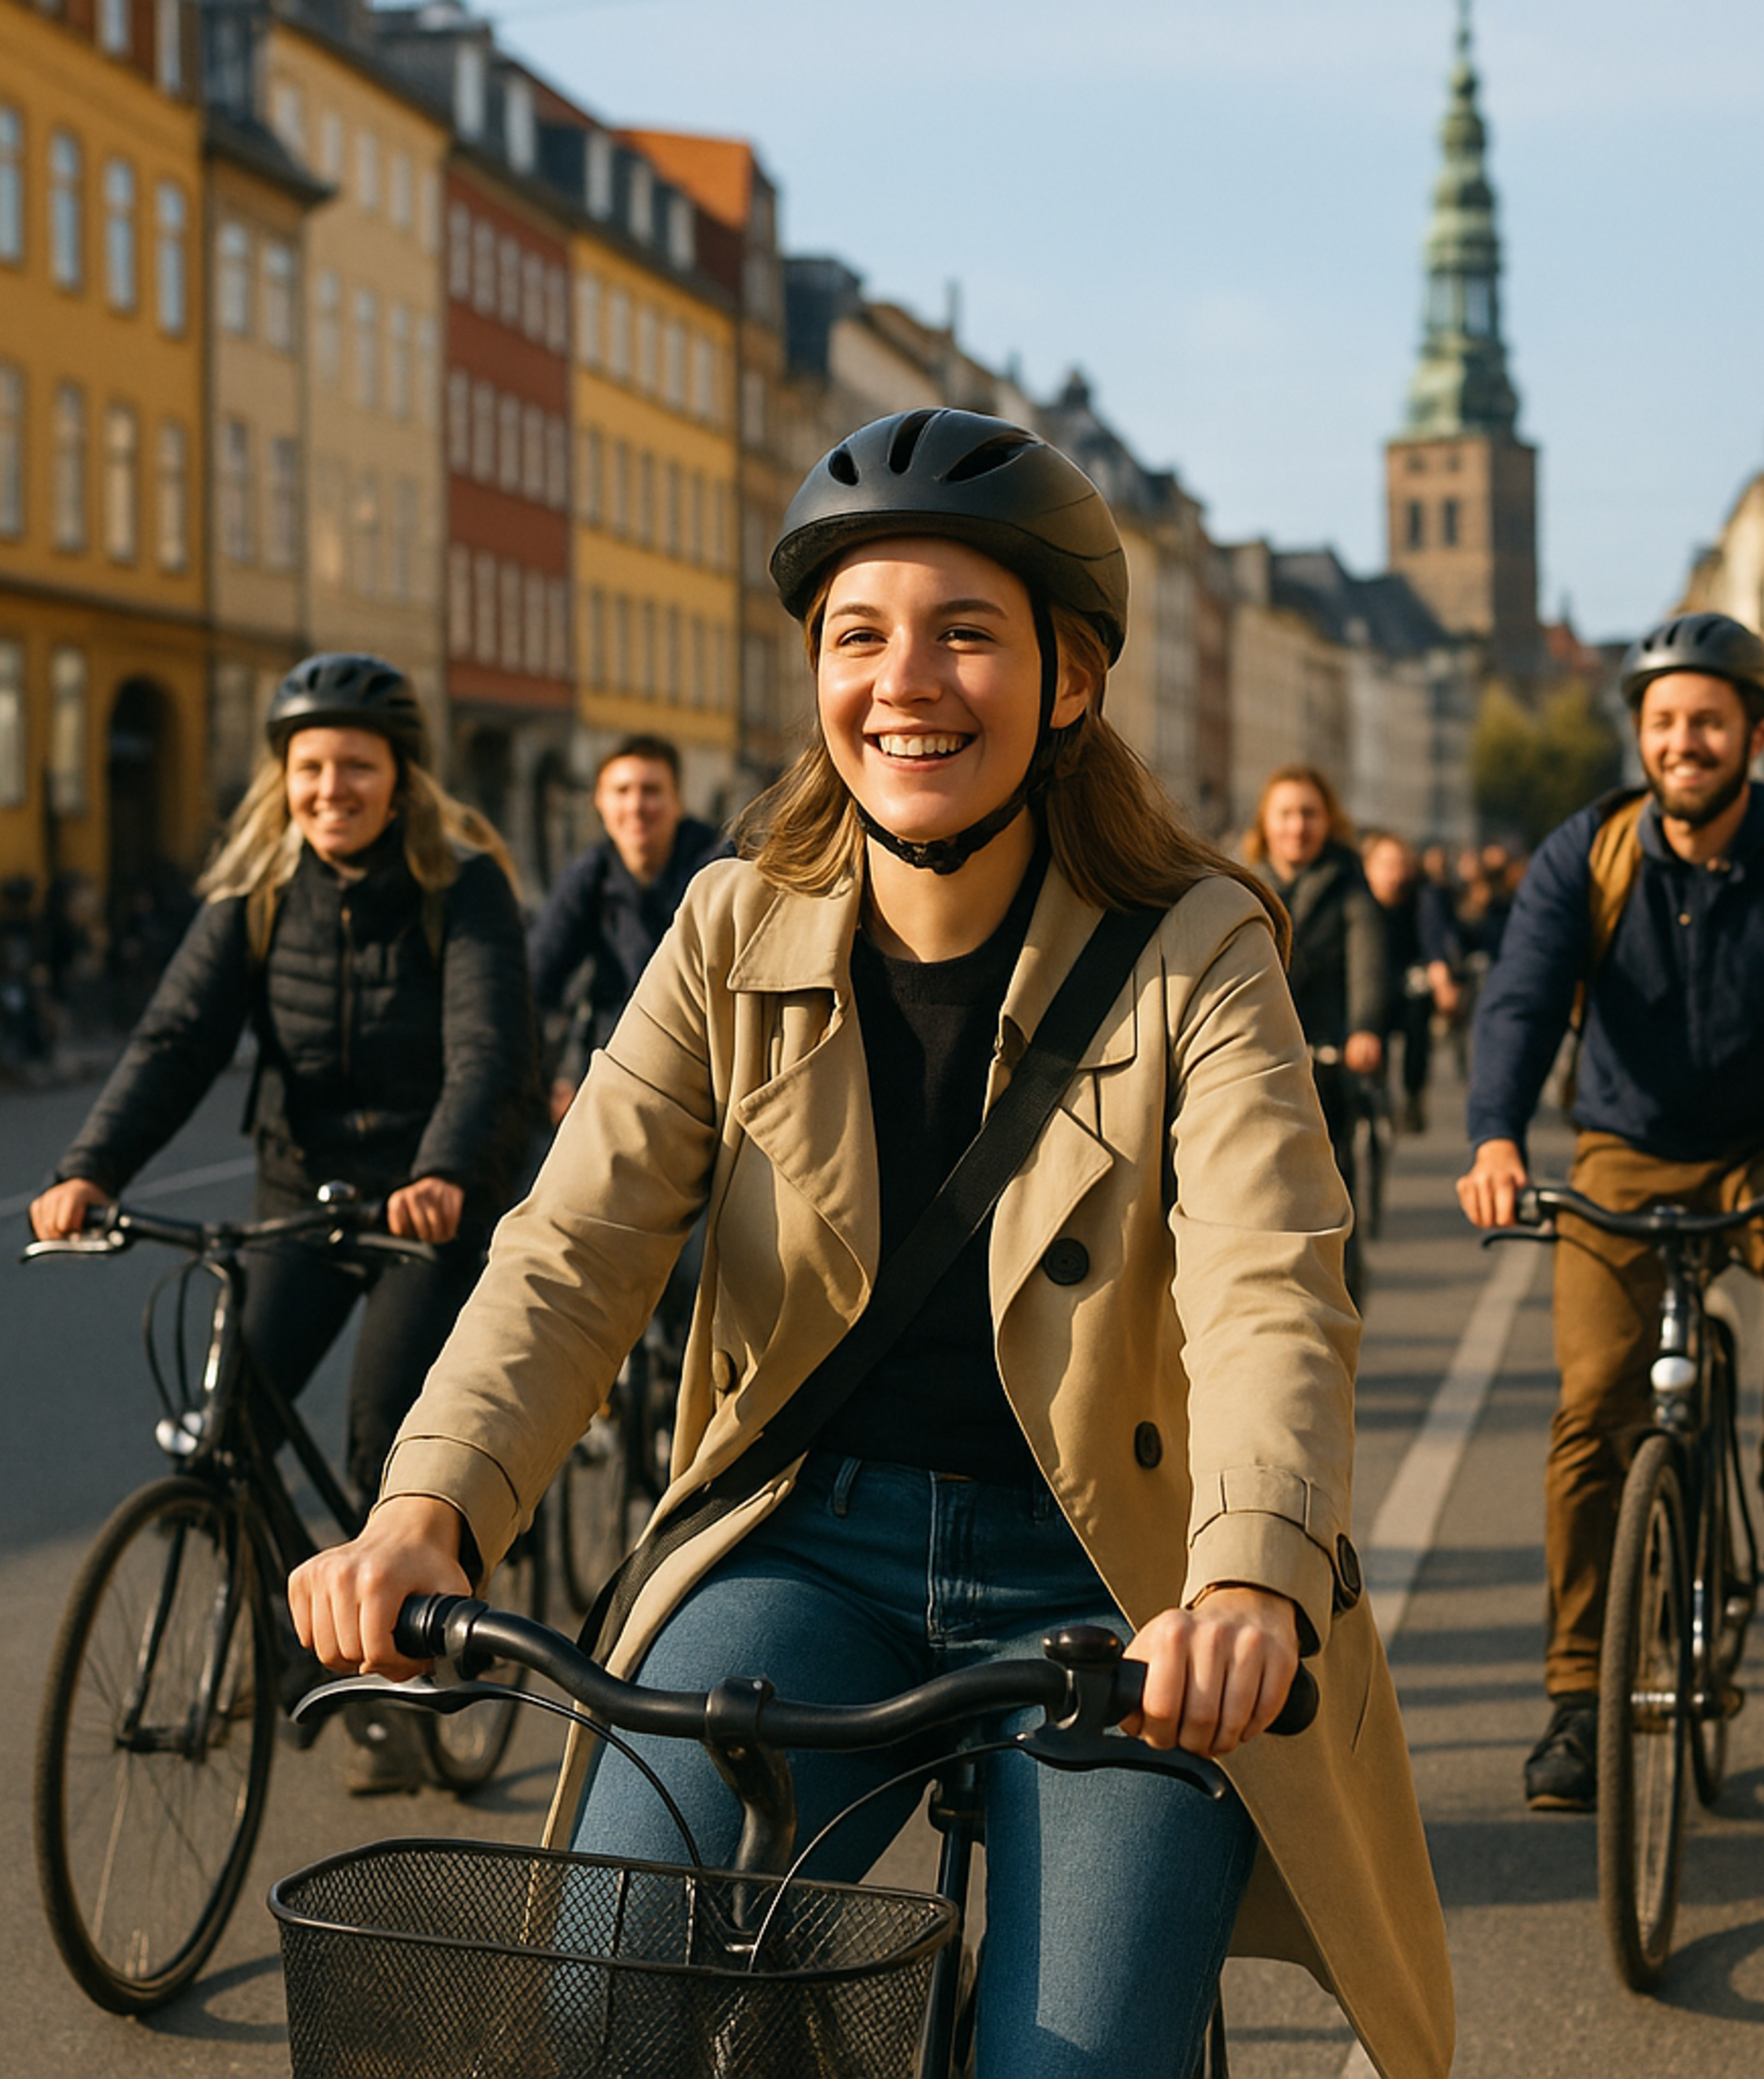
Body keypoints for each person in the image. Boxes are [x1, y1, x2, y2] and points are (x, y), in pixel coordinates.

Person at [288, 411, 1453, 2079]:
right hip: (801, 1540)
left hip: (1107, 1578)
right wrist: (426, 1510)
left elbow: (1269, 1281)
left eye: (963, 632)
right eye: (858, 635)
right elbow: (575, 1243)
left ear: (1067, 679)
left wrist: (1246, 1576)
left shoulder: (1197, 948)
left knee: (1074, 2063)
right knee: (602, 1989)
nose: (903, 680)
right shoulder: (730, 921)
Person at [30, 654, 536, 1792]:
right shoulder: (257, 893)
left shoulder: (463, 885)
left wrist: (448, 1170)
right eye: (309, 769)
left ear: (400, 779)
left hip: (425, 1201)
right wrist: (90, 1167)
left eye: (355, 767)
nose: (329, 789)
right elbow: (175, 1042)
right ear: (284, 779)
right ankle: (288, 1632)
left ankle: (411, 1671)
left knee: (383, 1442)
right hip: (302, 1190)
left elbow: (487, 1050)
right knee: (230, 1424)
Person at [1456, 611, 1764, 1813]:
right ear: (1643, 737)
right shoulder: (1589, 852)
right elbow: (1521, 995)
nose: (1685, 741)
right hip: (1630, 1143)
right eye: (1664, 722)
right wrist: (1497, 1136)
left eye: (1709, 720)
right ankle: (1576, 1698)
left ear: (1754, 733)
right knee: (1593, 1400)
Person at [1241, 766, 1388, 1297]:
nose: (1297, 827)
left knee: (1328, 1183)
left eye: (1309, 814)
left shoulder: (1349, 883)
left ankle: (1338, 1289)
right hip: (1255, 1059)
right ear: (1266, 822)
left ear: (1328, 822)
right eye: (1286, 814)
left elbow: (1368, 959)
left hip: (1327, 1055)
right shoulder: (1240, 882)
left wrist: (1365, 1029)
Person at [528, 733, 725, 1128]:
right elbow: (534, 981)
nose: (636, 806)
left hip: (709, 1069)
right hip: (616, 1066)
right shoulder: (591, 877)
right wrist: (551, 1079)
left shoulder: (720, 868)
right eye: (621, 791)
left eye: (652, 791)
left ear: (678, 801)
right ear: (599, 803)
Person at [1361, 829, 1463, 1133]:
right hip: (1370, 980)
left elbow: (1433, 941)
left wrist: (1443, 982)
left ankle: (1414, 1093)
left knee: (1418, 1005)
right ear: (1368, 866)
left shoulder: (1422, 895)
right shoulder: (1357, 898)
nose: (1395, 873)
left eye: (1401, 864)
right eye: (1386, 864)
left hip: (1409, 976)